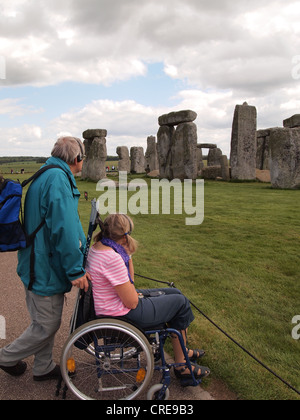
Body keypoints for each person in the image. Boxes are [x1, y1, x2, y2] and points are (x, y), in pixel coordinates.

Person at [0, 136, 89, 381]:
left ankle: (42, 366)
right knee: (47, 324)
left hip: (39, 261)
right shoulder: (57, 179)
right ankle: (5, 357)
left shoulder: (48, 172)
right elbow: (64, 229)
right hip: (44, 265)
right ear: (76, 158)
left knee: (43, 320)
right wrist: (75, 270)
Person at [86, 213, 210, 381]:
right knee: (180, 302)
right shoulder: (112, 258)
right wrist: (127, 258)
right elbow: (132, 300)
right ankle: (182, 365)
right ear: (125, 235)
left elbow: (129, 287)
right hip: (122, 314)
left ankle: (183, 350)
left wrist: (127, 256)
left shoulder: (98, 247)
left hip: (110, 307)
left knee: (175, 293)